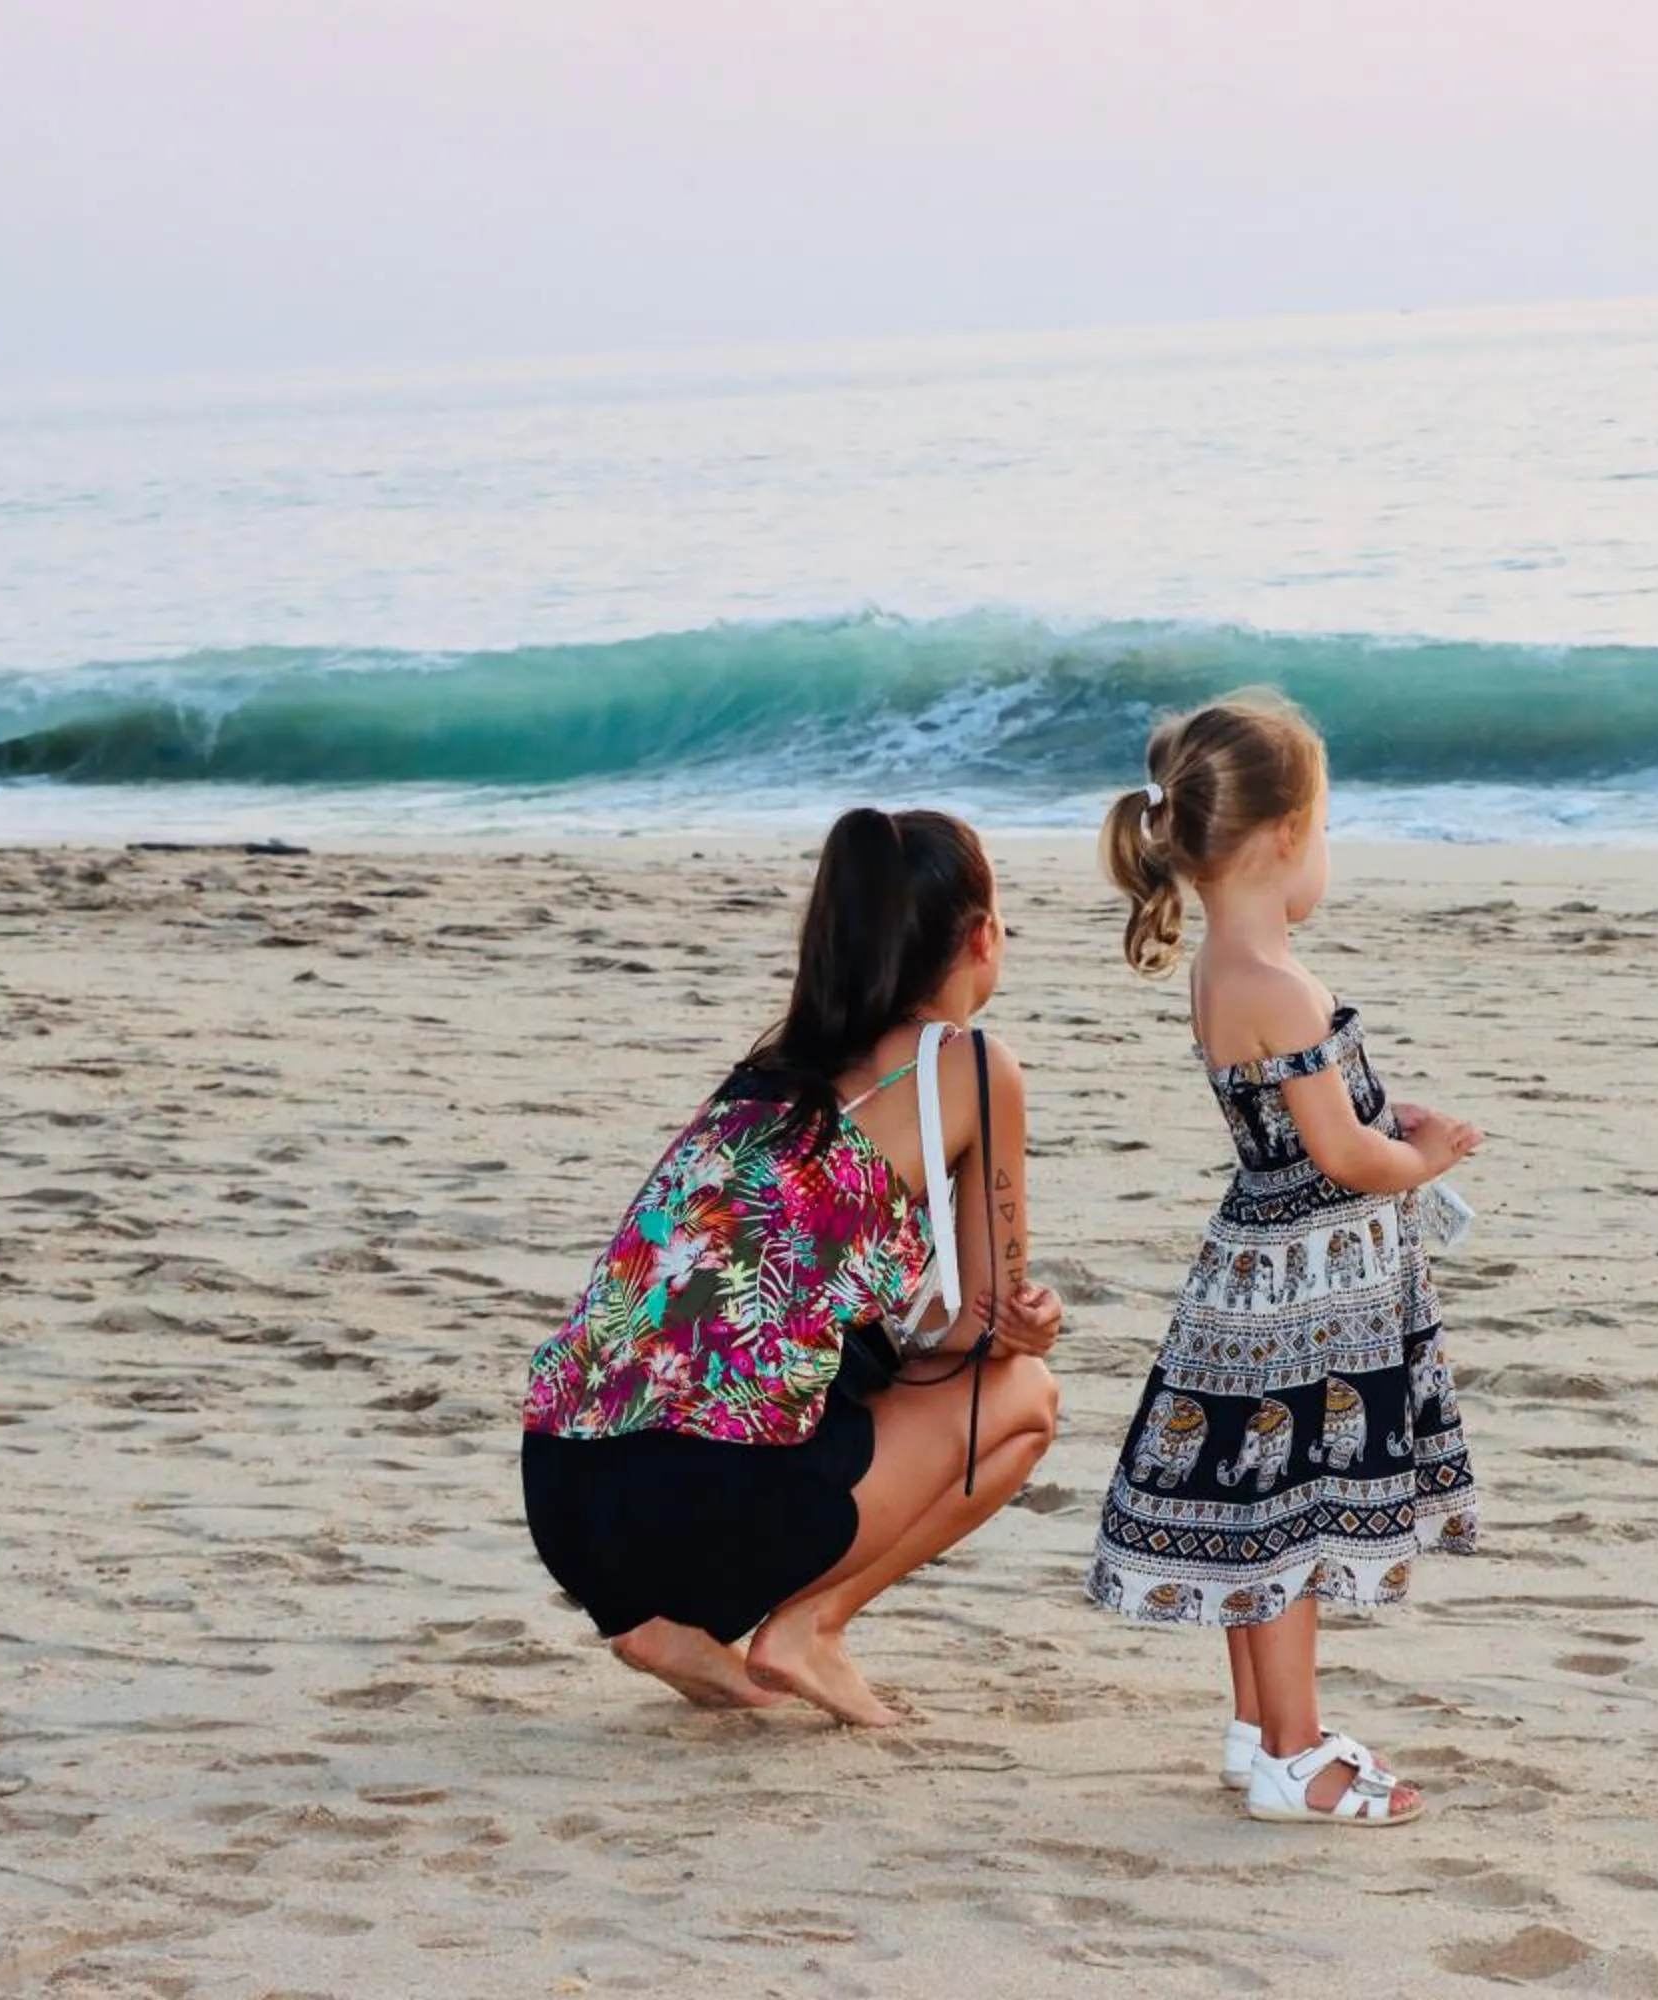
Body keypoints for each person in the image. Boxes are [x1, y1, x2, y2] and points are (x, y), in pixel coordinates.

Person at [520, 808, 1063, 1727]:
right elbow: (980, 1330)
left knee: (813, 1401)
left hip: (565, 1491)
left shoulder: (770, 1069)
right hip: (714, 1503)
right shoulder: (972, 1065)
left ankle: (663, 1623)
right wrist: (1028, 1324)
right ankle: (810, 1625)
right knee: (1024, 1395)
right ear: (981, 936)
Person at [1087, 691, 1482, 1825]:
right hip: (1305, 1297)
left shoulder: (1227, 970)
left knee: (1259, 1514)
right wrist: (1426, 1152)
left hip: (1254, 1274)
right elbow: (1346, 1154)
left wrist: (1377, 1110)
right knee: (1295, 1520)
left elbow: (1299, 1116)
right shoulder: (1279, 983)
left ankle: (1262, 1733)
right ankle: (1297, 1755)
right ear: (1283, 838)